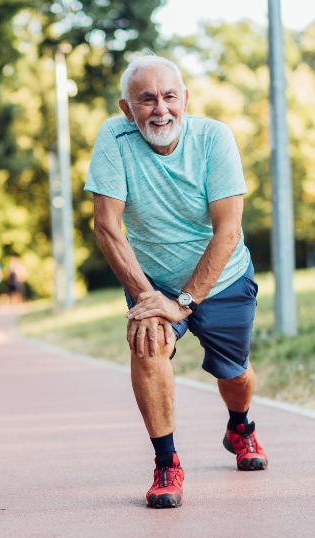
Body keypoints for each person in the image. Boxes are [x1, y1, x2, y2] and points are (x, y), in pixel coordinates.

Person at [86, 55, 266, 509]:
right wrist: (150, 299)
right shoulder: (114, 137)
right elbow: (108, 227)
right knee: (147, 344)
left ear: (185, 100)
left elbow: (228, 231)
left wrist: (183, 302)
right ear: (127, 109)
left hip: (222, 278)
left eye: (169, 97)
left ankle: (240, 426)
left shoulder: (214, 138)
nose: (160, 109)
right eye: (146, 99)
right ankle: (166, 463)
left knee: (236, 372)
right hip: (153, 280)